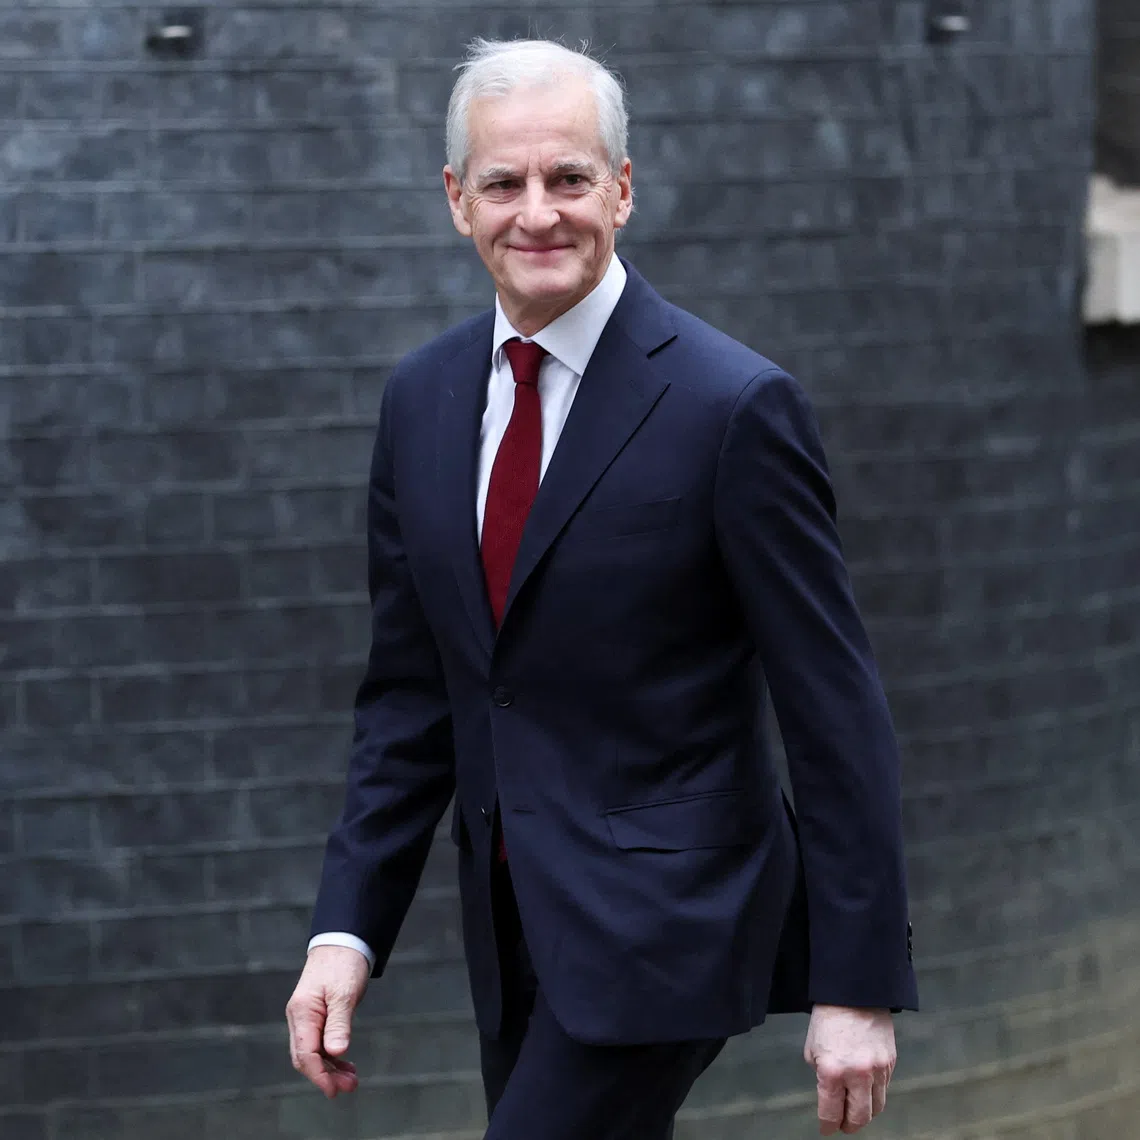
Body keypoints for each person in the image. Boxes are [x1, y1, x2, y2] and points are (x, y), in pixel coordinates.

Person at [286, 37, 918, 1140]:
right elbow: (411, 699)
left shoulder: (734, 408)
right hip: (511, 918)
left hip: (672, 919)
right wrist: (345, 932)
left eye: (570, 178)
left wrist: (855, 981)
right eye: (505, 183)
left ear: (622, 189)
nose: (539, 212)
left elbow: (834, 707)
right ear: (456, 201)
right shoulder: (423, 400)